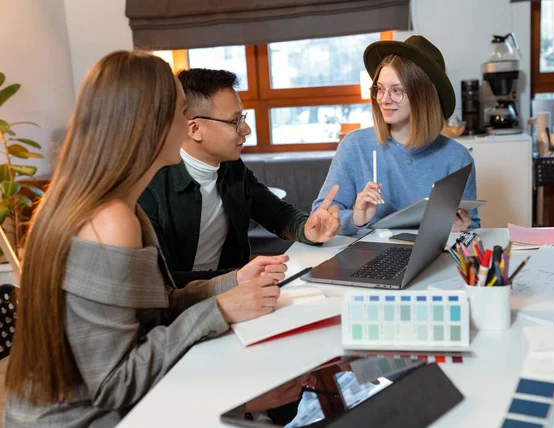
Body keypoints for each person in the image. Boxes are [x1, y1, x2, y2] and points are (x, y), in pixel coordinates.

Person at [4, 51, 290, 427]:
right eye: (181, 111)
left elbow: (155, 306)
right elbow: (114, 385)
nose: (188, 123)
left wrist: (232, 283)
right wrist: (219, 310)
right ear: (150, 125)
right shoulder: (112, 221)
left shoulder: (101, 204)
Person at [139, 68, 341, 288]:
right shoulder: (149, 187)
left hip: (237, 290)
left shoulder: (232, 167)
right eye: (234, 121)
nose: (246, 129)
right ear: (195, 129)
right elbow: (161, 281)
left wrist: (307, 228)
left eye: (242, 118)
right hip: (184, 307)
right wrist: (238, 277)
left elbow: (275, 213)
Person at [312, 36, 481, 236]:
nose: (384, 99)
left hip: (431, 259)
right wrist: (356, 219)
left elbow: (472, 227)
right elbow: (319, 219)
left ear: (424, 97)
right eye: (380, 89)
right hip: (368, 261)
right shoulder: (355, 146)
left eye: (397, 90)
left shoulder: (457, 158)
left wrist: (459, 229)